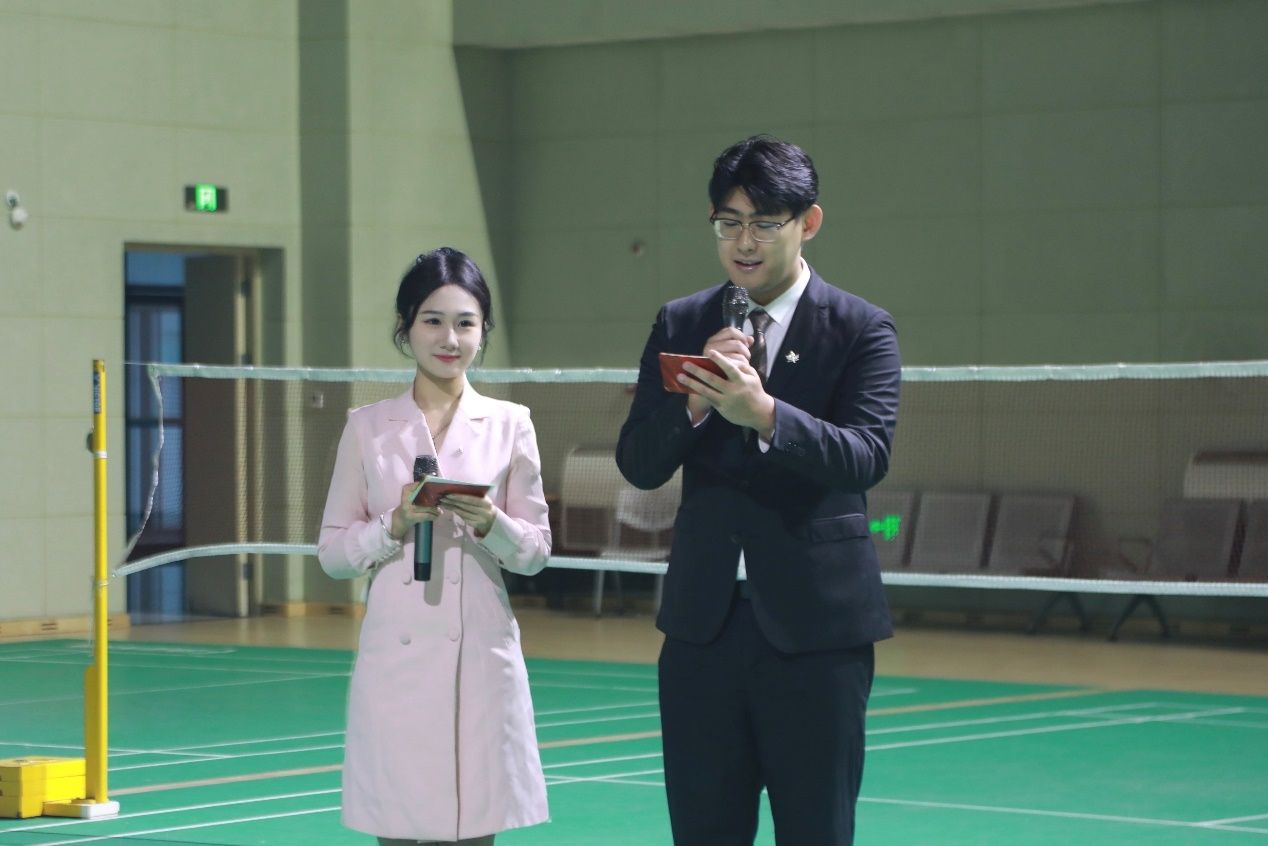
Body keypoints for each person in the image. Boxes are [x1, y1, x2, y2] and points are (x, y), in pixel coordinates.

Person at [616, 135, 901, 845]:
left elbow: (867, 456)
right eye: (728, 222)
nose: (743, 242)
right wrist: (695, 403)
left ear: (809, 222)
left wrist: (766, 415)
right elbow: (639, 462)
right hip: (702, 627)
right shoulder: (682, 322)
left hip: (817, 634)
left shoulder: (861, 328)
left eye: (764, 224)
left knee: (816, 829)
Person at [318, 247, 550, 846]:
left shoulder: (511, 422)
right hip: (395, 661)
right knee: (395, 826)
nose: (450, 339)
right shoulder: (367, 427)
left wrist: (492, 522)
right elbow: (333, 555)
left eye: (466, 323)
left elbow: (534, 553)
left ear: (483, 331)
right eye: (433, 321)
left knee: (474, 826)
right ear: (406, 327)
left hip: (481, 657)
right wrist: (392, 524)